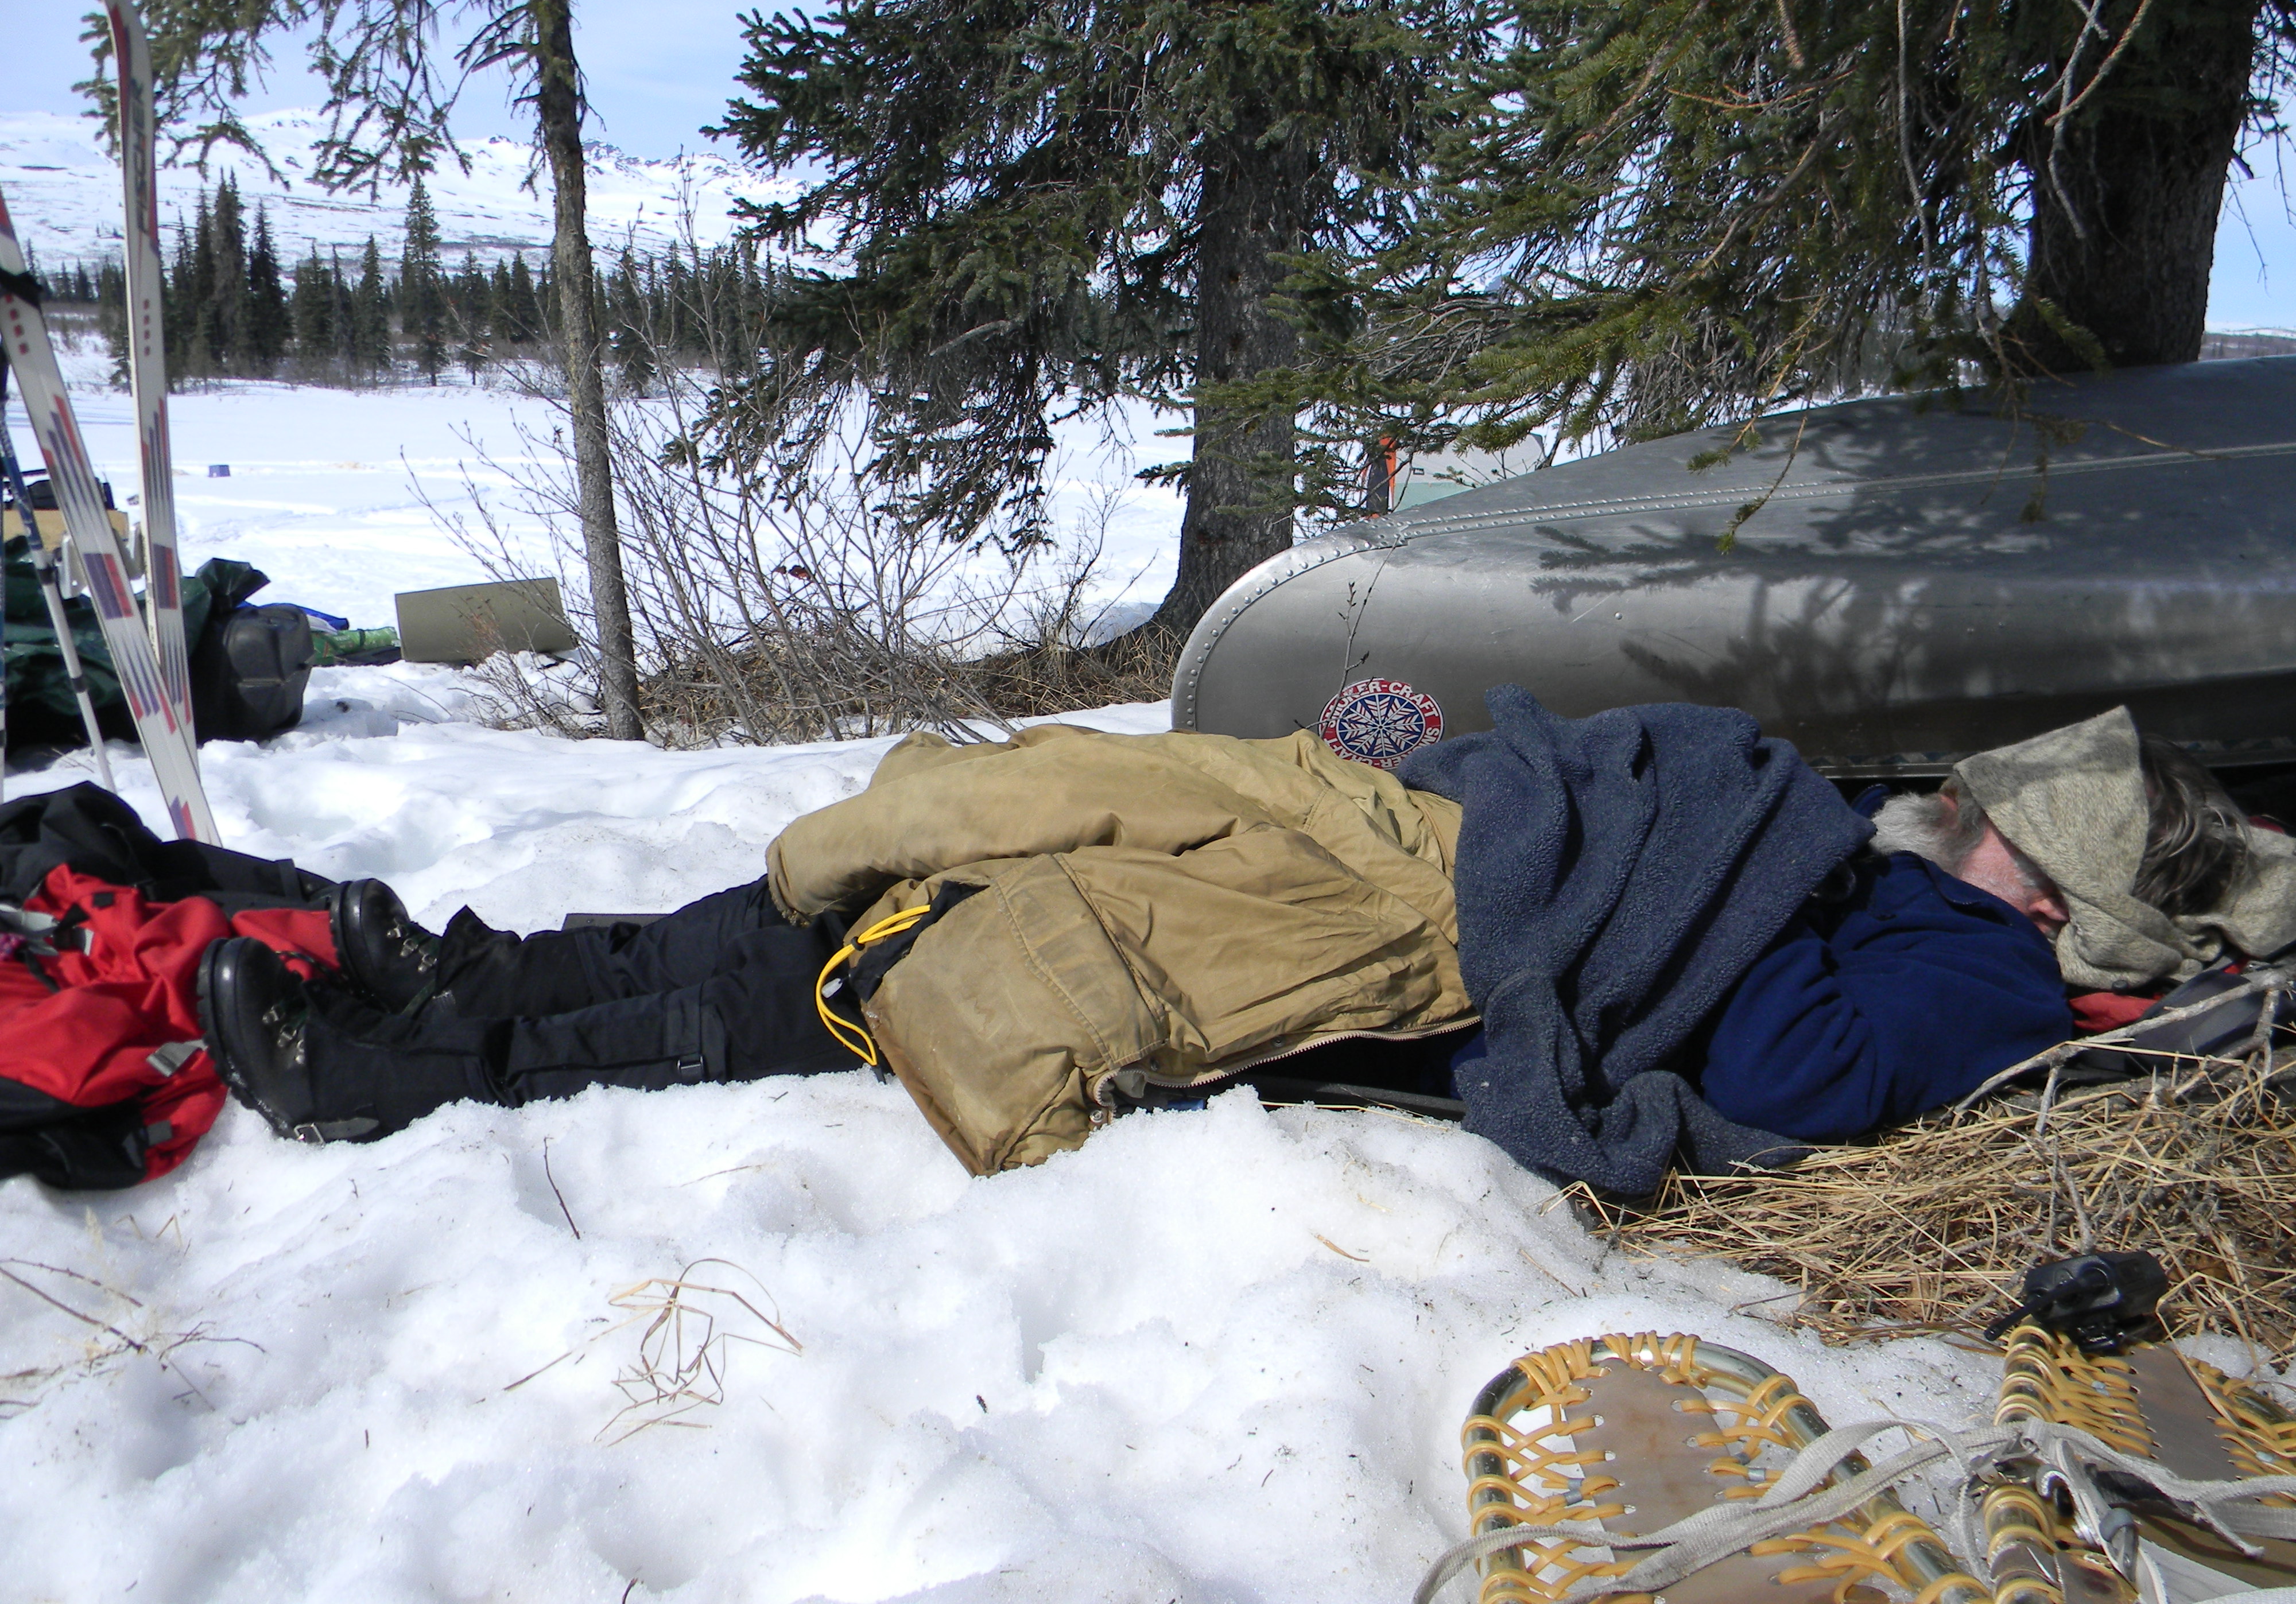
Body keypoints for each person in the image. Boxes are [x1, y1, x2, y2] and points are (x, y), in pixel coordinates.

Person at [194, 698, 2294, 1196]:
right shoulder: (1878, 853)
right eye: (1986, 809)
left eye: (2008, 835)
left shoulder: (1988, 982)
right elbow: (1680, 809)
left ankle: (417, 1066)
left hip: (1433, 911)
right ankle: (472, 968)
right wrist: (1455, 752)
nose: (1969, 828)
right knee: (941, 815)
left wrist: (1577, 1045)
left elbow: (1786, 1077)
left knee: (975, 953)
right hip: (1423, 810)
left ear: (2074, 904)